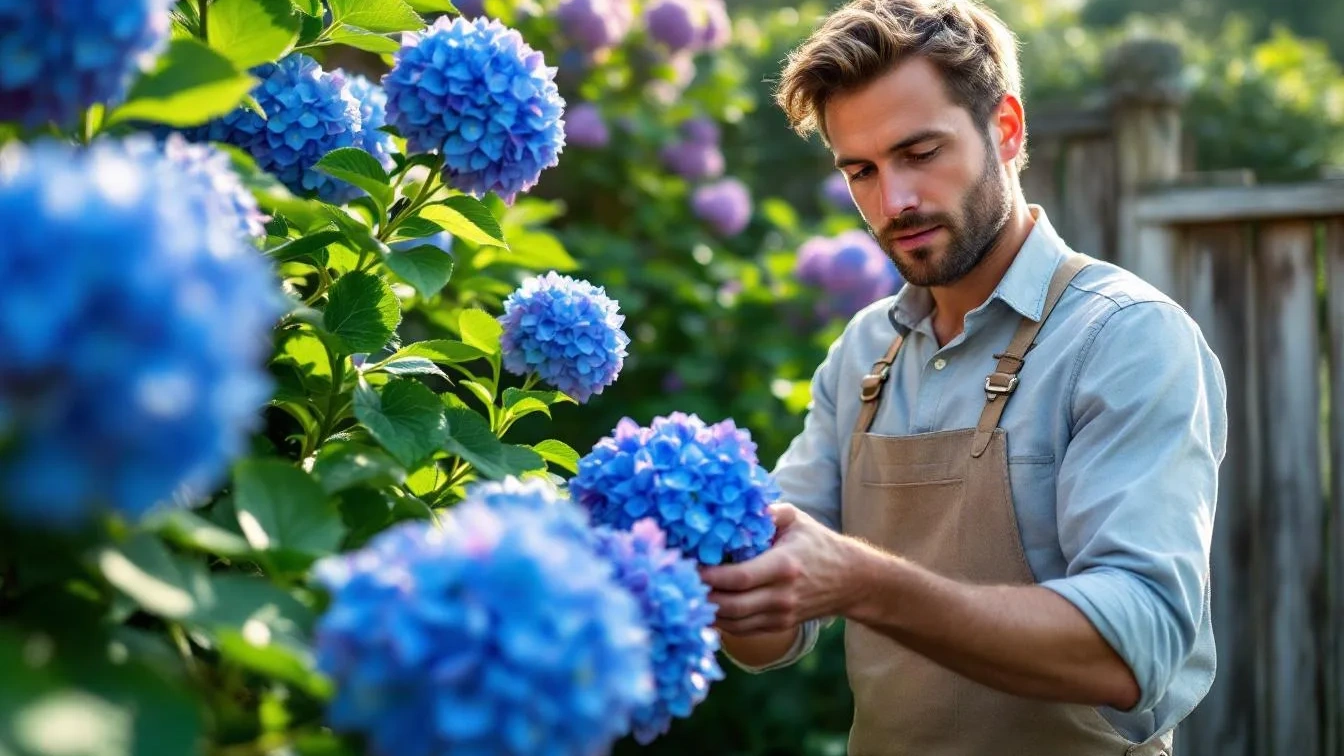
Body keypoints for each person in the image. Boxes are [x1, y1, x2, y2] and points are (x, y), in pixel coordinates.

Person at [697, 1, 1228, 754]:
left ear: (1006, 129)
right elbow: (775, 638)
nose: (894, 202)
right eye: (863, 171)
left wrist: (865, 582)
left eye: (920, 153)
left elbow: (1134, 643)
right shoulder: (863, 353)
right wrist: (724, 577)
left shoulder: (1126, 338)